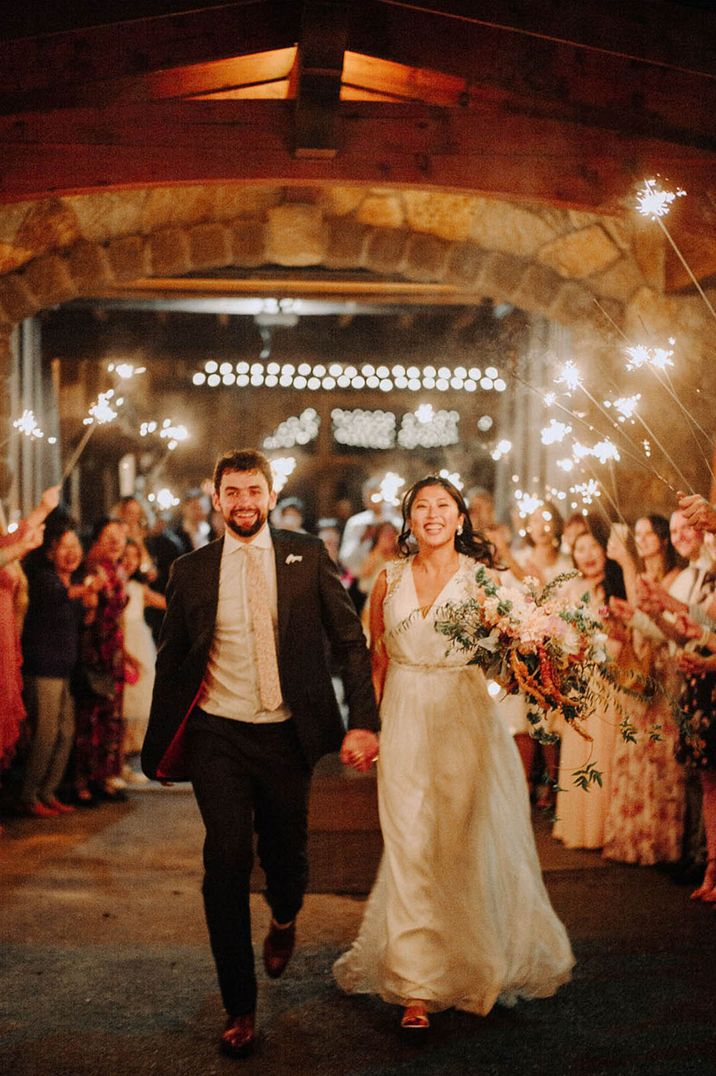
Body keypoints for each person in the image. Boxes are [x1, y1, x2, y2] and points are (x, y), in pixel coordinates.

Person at [141, 448, 380, 1059]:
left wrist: (363, 722)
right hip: (217, 734)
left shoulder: (307, 557)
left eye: (254, 491)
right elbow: (172, 662)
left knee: (286, 858)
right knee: (223, 860)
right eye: (233, 492)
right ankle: (239, 1007)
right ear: (216, 499)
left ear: (271, 496)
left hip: (285, 735)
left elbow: (350, 642)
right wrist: (160, 748)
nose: (244, 502)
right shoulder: (191, 571)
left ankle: (283, 916)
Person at [333, 475, 574, 1030]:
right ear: (410, 520)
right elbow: (377, 664)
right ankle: (417, 985)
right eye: (422, 507)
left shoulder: (486, 581)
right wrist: (365, 729)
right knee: (410, 843)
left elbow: (520, 655)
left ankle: (470, 960)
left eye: (443, 506)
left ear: (461, 518)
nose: (433, 515)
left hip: (464, 717)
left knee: (459, 842)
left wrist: (509, 686)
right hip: (404, 717)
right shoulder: (387, 581)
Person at [552, 516, 626, 851]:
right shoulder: (571, 590)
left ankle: (602, 827)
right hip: (580, 679)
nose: (588, 554)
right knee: (580, 750)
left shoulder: (616, 586)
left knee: (604, 749)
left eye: (593, 546)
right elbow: (559, 635)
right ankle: (577, 826)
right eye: (580, 549)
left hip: (611, 677)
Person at [20, 522, 95, 817]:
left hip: (65, 670)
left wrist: (89, 607)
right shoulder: (45, 580)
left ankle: (47, 792)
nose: (71, 553)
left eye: (75, 547)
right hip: (43, 669)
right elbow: (60, 597)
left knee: (65, 733)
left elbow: (83, 623)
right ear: (50, 553)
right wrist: (87, 589)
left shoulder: (71, 582)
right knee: (45, 735)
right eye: (64, 547)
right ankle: (29, 795)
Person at [72, 518, 133, 806]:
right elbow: (87, 614)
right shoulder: (91, 571)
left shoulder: (118, 570)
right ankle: (82, 782)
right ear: (96, 540)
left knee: (111, 718)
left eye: (120, 538)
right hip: (95, 652)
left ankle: (104, 778)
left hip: (115, 653)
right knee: (91, 717)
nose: (115, 543)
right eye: (109, 537)